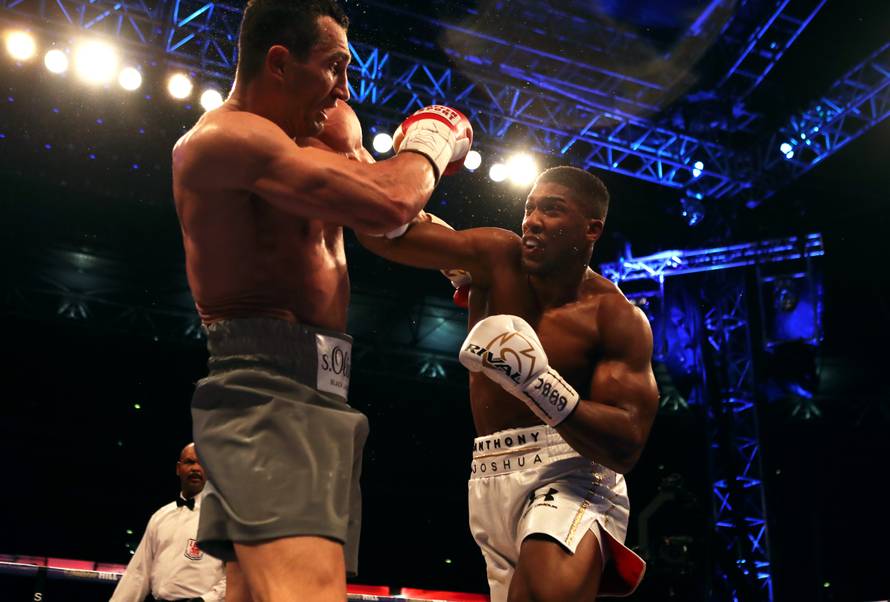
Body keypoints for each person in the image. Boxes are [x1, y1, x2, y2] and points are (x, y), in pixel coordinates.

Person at [170, 0, 472, 598]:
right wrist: (434, 142)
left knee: (254, 592)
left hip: (322, 388)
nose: (345, 87)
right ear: (279, 63)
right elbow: (389, 199)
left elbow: (384, 214)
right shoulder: (223, 140)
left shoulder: (331, 127)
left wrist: (456, 258)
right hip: (264, 386)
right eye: (334, 68)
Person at [357, 166, 659, 601]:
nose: (532, 220)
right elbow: (380, 233)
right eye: (529, 207)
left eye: (552, 211)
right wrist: (415, 162)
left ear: (592, 228)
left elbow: (627, 443)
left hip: (572, 474)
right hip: (488, 476)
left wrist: (540, 385)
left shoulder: (615, 316)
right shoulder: (495, 258)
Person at [110, 443, 226, 602]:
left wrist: (206, 600)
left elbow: (237, 576)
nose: (196, 468)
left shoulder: (223, 518)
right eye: (190, 462)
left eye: (202, 463)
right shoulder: (160, 517)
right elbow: (137, 574)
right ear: (179, 468)